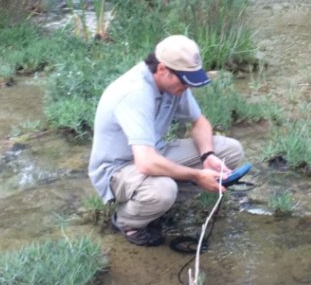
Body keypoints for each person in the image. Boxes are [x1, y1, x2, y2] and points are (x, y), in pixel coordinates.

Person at [88, 34, 245, 246]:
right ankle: (127, 220)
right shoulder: (134, 93)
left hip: (153, 154)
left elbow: (200, 122)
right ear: (162, 69)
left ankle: (156, 206)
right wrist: (197, 175)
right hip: (118, 169)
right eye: (184, 81)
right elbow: (146, 162)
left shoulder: (173, 84)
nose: (186, 88)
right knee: (163, 190)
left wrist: (207, 155)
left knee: (230, 151)